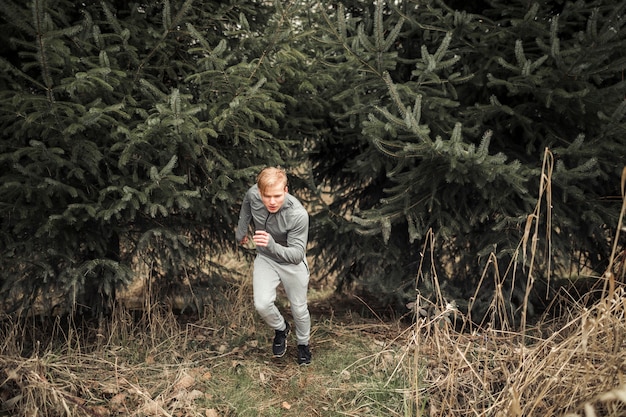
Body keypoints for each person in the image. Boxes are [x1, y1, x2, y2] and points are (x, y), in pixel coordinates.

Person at [235, 166, 312, 365]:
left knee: (299, 308)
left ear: (285, 191)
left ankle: (303, 345)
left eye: (277, 196)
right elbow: (246, 204)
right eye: (266, 196)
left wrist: (272, 244)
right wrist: (241, 230)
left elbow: (296, 255)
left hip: (291, 262)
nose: (271, 202)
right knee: (262, 303)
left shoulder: (298, 215)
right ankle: (281, 328)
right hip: (266, 258)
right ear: (259, 192)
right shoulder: (254, 195)